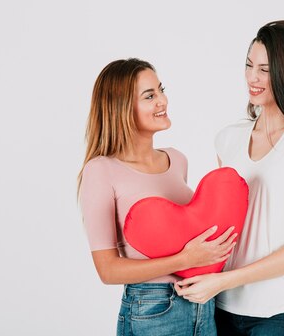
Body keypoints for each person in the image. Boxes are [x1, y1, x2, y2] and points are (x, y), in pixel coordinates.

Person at [174, 20, 284, 335]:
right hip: (221, 309)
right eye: (248, 65)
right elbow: (223, 224)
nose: (252, 77)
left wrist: (223, 280)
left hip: (280, 314)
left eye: (265, 70)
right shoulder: (228, 139)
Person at [78, 58, 236, 336]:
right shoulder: (101, 170)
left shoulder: (177, 160)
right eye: (150, 96)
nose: (162, 101)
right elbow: (108, 270)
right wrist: (185, 260)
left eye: (161, 90)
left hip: (205, 302)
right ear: (121, 108)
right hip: (152, 309)